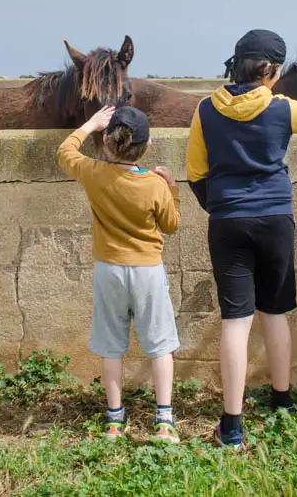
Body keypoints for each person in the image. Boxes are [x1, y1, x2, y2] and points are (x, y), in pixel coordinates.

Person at [185, 29, 297, 449]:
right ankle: (282, 402)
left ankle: (232, 425)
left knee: (236, 319)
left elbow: (196, 173)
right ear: (269, 71)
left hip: (228, 221)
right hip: (274, 220)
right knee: (275, 312)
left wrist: (220, 208)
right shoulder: (282, 108)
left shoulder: (204, 110)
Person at [57, 104, 182, 443]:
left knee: (111, 346)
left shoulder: (94, 173)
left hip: (108, 270)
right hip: (147, 272)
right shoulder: (154, 185)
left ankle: (115, 420)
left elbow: (65, 151)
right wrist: (171, 188)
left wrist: (89, 124)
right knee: (159, 346)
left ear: (107, 141)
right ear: (147, 145)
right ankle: (164, 421)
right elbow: (171, 226)